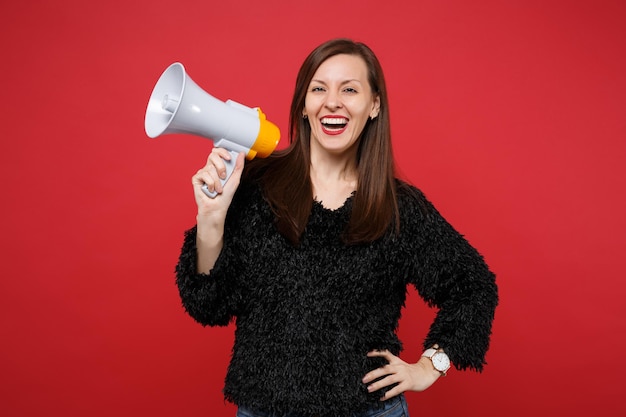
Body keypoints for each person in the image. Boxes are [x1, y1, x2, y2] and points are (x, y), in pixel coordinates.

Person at [175, 38, 498, 417]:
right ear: (304, 106)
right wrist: (211, 220)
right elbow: (208, 307)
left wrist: (430, 366)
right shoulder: (255, 187)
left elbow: (475, 287)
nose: (333, 102)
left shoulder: (398, 208)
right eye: (318, 88)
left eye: (349, 89)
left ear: (374, 105)